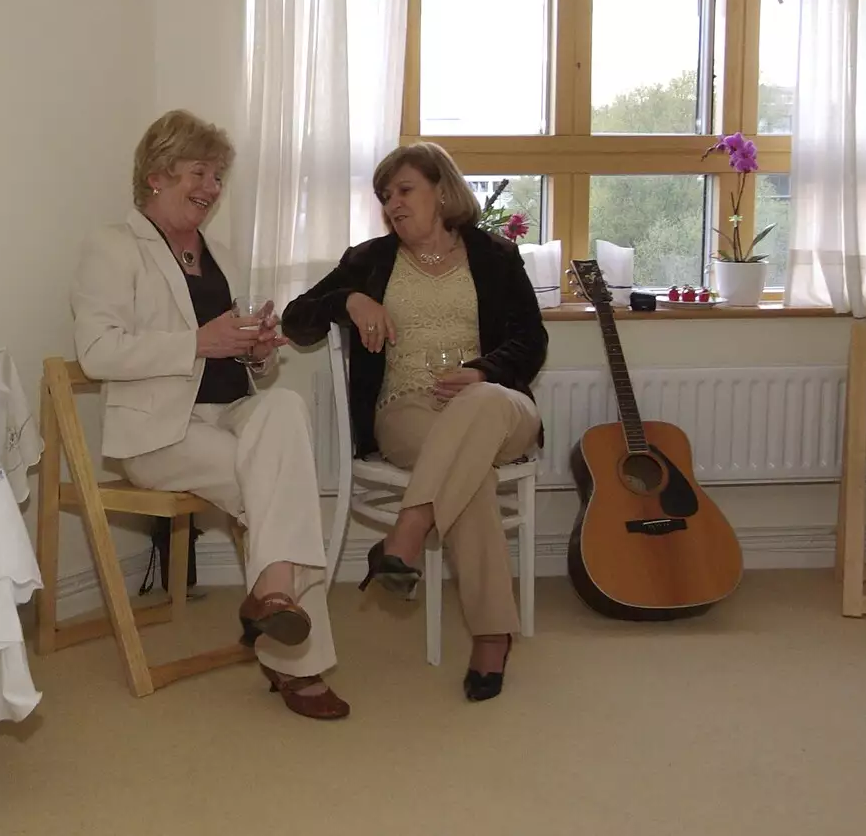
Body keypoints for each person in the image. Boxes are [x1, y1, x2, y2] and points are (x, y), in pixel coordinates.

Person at [70, 109, 348, 720]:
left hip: (232, 412)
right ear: (158, 174)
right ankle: (297, 667)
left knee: (283, 404)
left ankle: (271, 593)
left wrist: (255, 352)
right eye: (200, 172)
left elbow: (246, 368)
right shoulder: (113, 246)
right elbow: (96, 353)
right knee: (282, 483)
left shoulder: (219, 252)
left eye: (218, 176)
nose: (211, 188)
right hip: (160, 434)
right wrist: (201, 340)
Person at [281, 142, 546, 702]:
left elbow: (532, 341)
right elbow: (296, 319)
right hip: (407, 410)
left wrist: (483, 372)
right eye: (384, 196)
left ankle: (409, 529)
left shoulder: (495, 256)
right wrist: (348, 298)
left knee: (480, 409)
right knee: (468, 477)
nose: (392, 204)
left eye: (404, 190)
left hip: (495, 407)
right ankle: (493, 635)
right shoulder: (371, 260)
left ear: (442, 190)